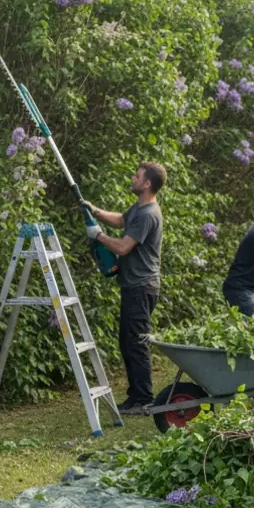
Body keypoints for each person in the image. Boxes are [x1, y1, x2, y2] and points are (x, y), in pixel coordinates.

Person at [82, 161, 166, 412]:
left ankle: (143, 399)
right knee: (127, 342)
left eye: (137, 176)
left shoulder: (149, 214)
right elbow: (120, 220)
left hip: (142, 286)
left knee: (136, 343)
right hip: (134, 285)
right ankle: (135, 396)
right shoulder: (139, 209)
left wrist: (98, 236)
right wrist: (95, 211)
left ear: (147, 183)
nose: (133, 178)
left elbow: (122, 247)